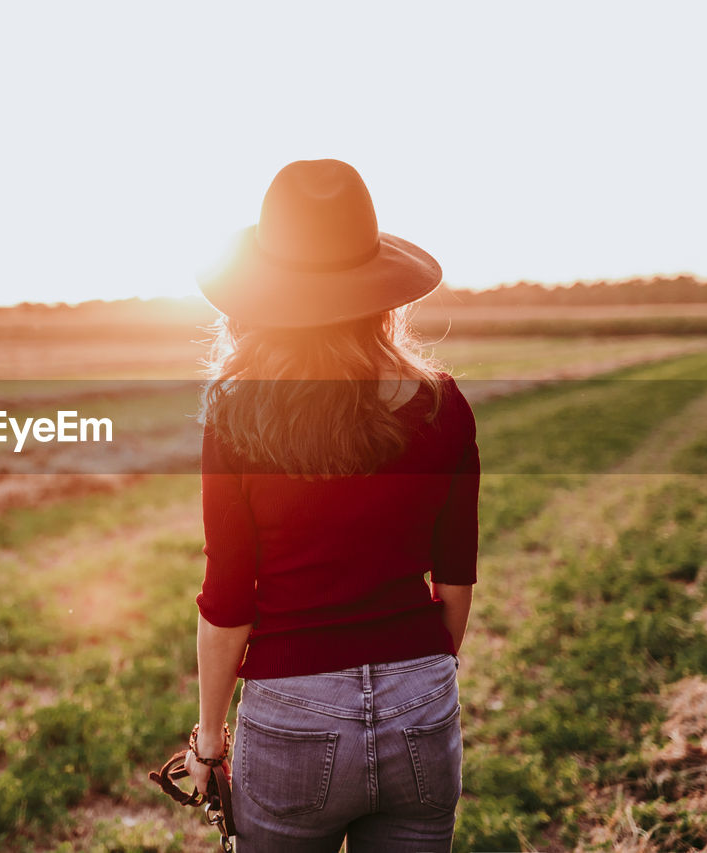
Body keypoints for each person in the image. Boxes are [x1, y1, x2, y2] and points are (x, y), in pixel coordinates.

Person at [182, 159, 480, 853]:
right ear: (380, 291)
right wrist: (411, 686)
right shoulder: (442, 403)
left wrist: (208, 739)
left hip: (292, 713)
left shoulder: (235, 414)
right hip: (421, 696)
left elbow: (227, 600)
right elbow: (456, 581)